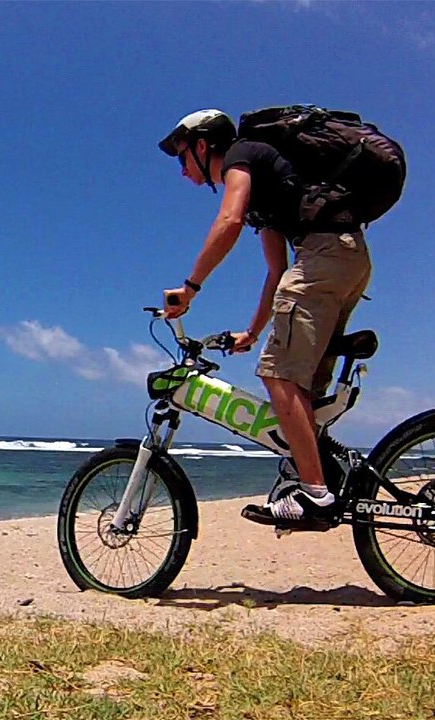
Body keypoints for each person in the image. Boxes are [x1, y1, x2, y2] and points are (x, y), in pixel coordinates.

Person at [158, 109, 372, 524]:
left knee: (279, 375)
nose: (182, 170)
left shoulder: (241, 155)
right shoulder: (266, 194)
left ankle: (315, 495)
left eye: (182, 158)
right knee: (305, 391)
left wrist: (190, 288)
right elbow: (276, 272)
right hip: (346, 259)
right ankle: (320, 476)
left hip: (324, 256)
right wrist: (253, 333)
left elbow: (229, 220)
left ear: (202, 146)